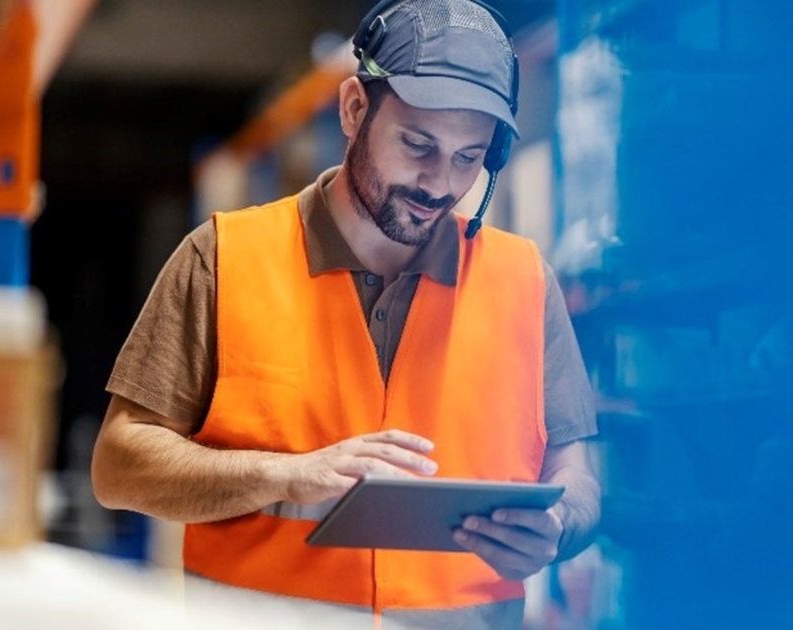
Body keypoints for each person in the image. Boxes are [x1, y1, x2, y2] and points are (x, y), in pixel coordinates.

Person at [91, 0, 601, 628]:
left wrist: (556, 527)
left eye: (468, 158)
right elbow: (119, 466)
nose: (439, 184)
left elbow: (575, 472)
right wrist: (285, 473)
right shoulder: (224, 259)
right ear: (355, 109)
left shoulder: (523, 281)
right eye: (418, 144)